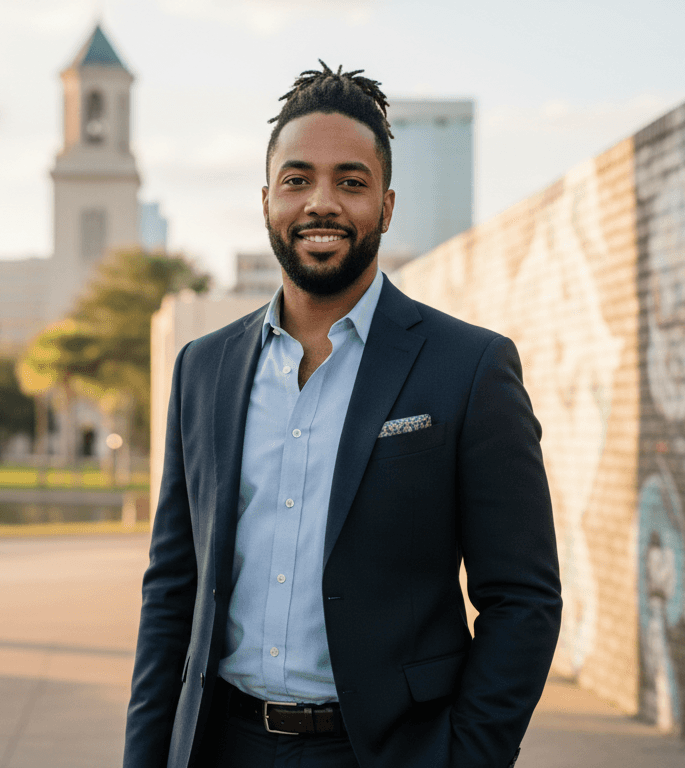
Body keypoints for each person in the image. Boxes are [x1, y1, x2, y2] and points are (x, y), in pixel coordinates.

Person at [125, 62, 561, 768]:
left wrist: (463, 758)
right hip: (221, 747)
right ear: (267, 199)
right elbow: (172, 592)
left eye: (350, 182)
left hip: (387, 752)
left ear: (386, 207)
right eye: (297, 180)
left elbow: (524, 600)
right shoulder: (202, 370)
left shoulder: (469, 368)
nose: (321, 203)